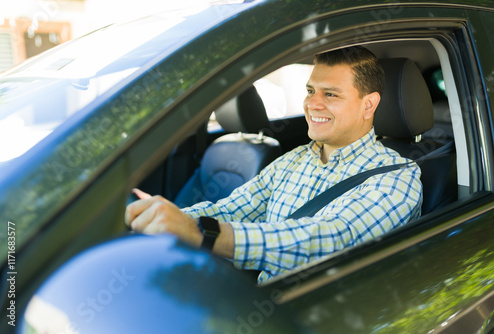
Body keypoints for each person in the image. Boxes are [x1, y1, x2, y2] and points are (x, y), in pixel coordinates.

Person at [125, 46, 422, 283]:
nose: (312, 104)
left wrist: (205, 234)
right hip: (262, 302)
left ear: (368, 105)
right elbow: (233, 208)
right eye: (310, 91)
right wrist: (159, 219)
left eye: (330, 94)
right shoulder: (295, 159)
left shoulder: (398, 178)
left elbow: (329, 240)